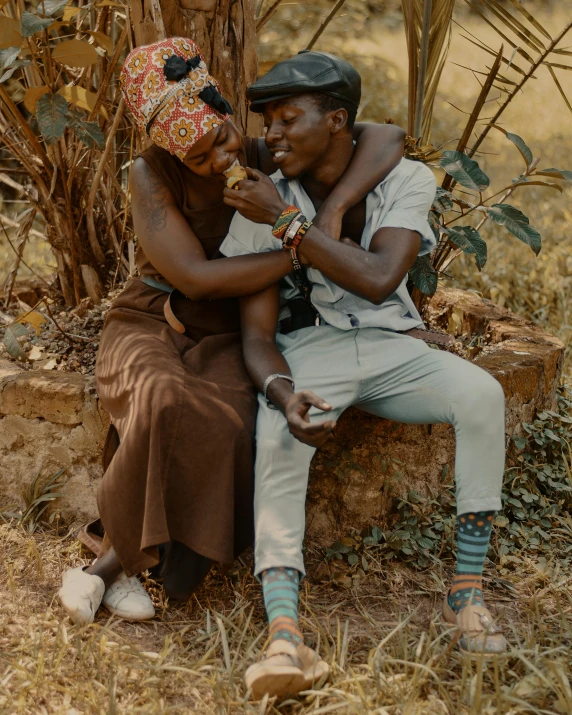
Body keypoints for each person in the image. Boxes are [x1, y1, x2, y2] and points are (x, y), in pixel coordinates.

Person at [57, 37, 406, 626]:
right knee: (163, 399)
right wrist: (305, 251)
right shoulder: (148, 174)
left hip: (233, 329)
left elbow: (389, 137)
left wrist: (324, 215)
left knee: (232, 422)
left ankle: (119, 567)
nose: (221, 158)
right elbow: (194, 278)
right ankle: (113, 566)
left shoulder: (264, 148)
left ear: (222, 109)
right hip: (153, 321)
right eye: (199, 158)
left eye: (221, 137)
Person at [218, 51, 508, 699]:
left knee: (483, 395)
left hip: (390, 342)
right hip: (311, 348)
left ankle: (467, 595)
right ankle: (285, 631)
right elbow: (259, 338)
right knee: (280, 430)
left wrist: (292, 224)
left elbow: (380, 280)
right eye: (269, 121)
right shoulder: (261, 200)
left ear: (338, 119)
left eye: (289, 119)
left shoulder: (402, 180)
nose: (273, 135)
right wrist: (284, 391)